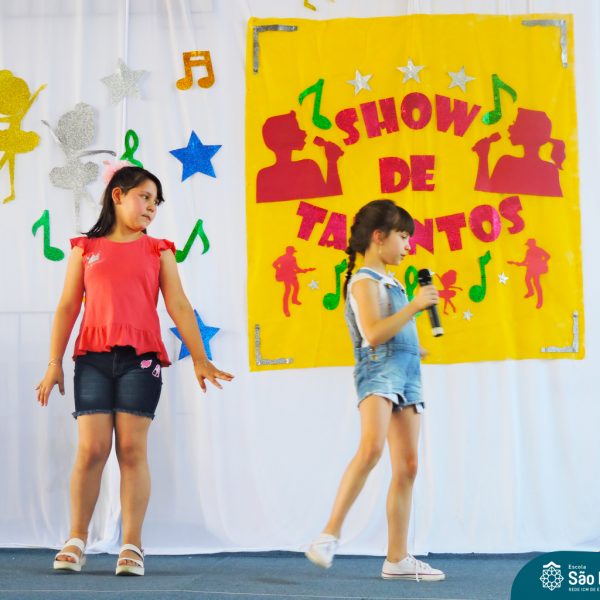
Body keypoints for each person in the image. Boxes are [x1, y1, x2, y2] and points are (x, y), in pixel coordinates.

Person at [35, 165, 233, 576]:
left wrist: (200, 358)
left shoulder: (159, 250)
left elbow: (179, 305)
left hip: (141, 361)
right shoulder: (85, 249)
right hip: (92, 358)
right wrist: (54, 363)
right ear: (118, 195)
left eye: (156, 202)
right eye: (145, 197)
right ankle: (76, 538)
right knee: (92, 450)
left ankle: (132, 543)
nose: (151, 208)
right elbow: (68, 306)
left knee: (131, 450)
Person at [305, 199, 444, 581]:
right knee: (371, 448)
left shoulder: (391, 281)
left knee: (409, 465)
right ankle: (328, 534)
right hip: (379, 371)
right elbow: (374, 332)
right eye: (403, 237)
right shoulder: (363, 281)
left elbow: (393, 329)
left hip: (407, 374)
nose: (408, 246)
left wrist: (414, 346)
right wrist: (415, 306)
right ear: (379, 237)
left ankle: (397, 558)